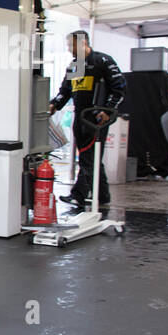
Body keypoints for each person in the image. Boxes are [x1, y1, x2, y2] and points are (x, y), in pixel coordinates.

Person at [49, 31, 125, 211]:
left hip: (96, 118)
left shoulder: (103, 61)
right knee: (91, 157)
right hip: (80, 117)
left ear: (83, 44)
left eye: (72, 45)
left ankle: (79, 195)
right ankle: (103, 195)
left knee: (88, 157)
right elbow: (65, 91)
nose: (70, 49)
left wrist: (107, 110)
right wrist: (54, 105)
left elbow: (120, 87)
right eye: (68, 46)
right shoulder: (74, 66)